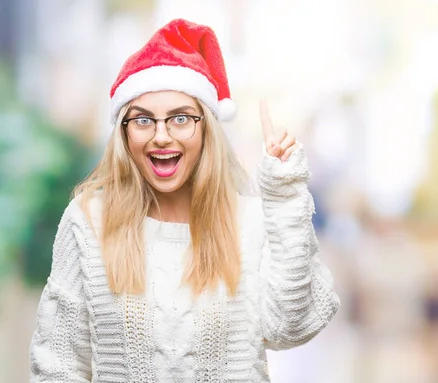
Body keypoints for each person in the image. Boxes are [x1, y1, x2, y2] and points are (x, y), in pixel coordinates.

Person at [29, 18, 340, 382]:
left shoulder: (250, 221)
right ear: (124, 134)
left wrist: (285, 194)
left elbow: (290, 327)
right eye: (143, 120)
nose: (161, 136)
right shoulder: (89, 220)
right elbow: (57, 364)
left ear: (206, 127)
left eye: (180, 118)